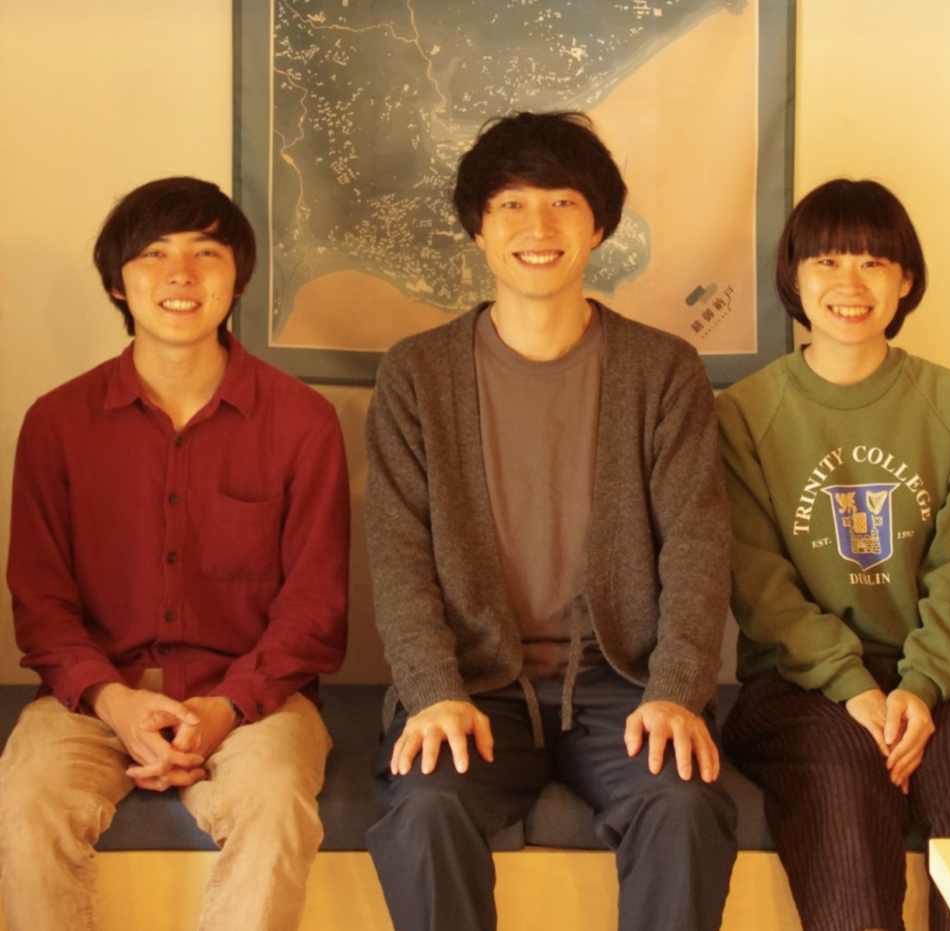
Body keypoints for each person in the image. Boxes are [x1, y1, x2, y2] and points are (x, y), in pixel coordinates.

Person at [364, 110, 737, 931]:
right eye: (511, 204)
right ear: (478, 228)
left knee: (683, 804)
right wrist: (431, 692)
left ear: (598, 225)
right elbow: (398, 557)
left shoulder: (662, 369)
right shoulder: (417, 374)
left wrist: (677, 691)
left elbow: (698, 548)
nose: (538, 227)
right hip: (476, 684)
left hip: (624, 682)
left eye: (563, 202)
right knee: (426, 808)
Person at [0, 177, 350, 931]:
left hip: (254, 699)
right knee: (25, 803)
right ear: (118, 283)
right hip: (92, 696)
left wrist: (227, 706)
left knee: (274, 805)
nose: (180, 274)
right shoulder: (57, 422)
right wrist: (113, 700)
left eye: (206, 253)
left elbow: (314, 607)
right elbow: (40, 600)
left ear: (239, 279)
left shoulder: (303, 422)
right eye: (154, 254)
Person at [717, 178, 950, 931]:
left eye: (872, 262)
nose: (849, 284)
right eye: (827, 261)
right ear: (793, 277)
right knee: (843, 797)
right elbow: (758, 585)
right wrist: (851, 685)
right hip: (801, 684)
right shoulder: (743, 413)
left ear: (905, 279)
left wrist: (920, 688)